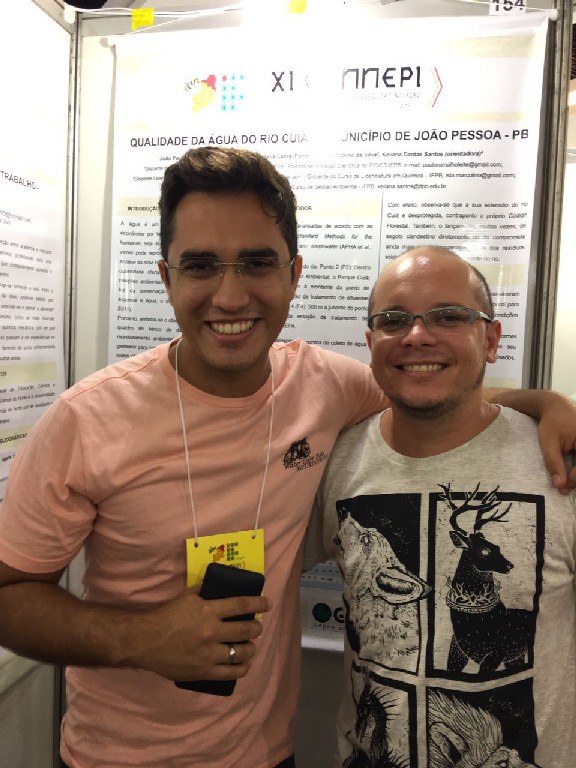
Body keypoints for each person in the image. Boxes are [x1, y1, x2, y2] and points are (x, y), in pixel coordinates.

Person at [0, 149, 574, 768]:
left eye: (256, 263)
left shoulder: (325, 385)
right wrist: (137, 638)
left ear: (293, 274)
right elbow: (9, 594)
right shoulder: (86, 420)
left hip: (267, 755)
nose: (229, 296)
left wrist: (547, 404)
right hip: (114, 759)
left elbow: (428, 384)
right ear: (166, 277)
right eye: (200, 265)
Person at [311, 245, 576, 768]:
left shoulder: (560, 461)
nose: (417, 336)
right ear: (371, 343)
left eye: (449, 316)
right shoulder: (334, 462)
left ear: (491, 340)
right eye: (394, 320)